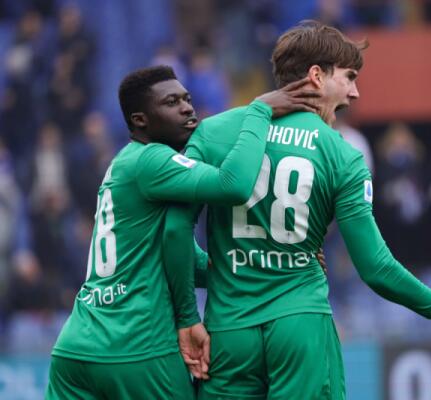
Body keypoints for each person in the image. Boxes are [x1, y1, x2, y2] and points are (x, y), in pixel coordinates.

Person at [164, 21, 431, 399]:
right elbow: (376, 267)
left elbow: (174, 230)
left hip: (229, 332)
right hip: (302, 329)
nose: (355, 92)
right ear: (316, 76)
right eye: (349, 77)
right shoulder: (343, 154)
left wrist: (197, 301)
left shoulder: (213, 132)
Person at [45, 65, 320, 399]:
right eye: (171, 102)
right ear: (140, 120)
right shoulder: (152, 160)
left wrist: (281, 261)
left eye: (187, 99)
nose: (187, 108)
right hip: (136, 345)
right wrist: (258, 112)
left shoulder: (124, 162)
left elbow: (182, 258)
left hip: (76, 346)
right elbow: (233, 185)